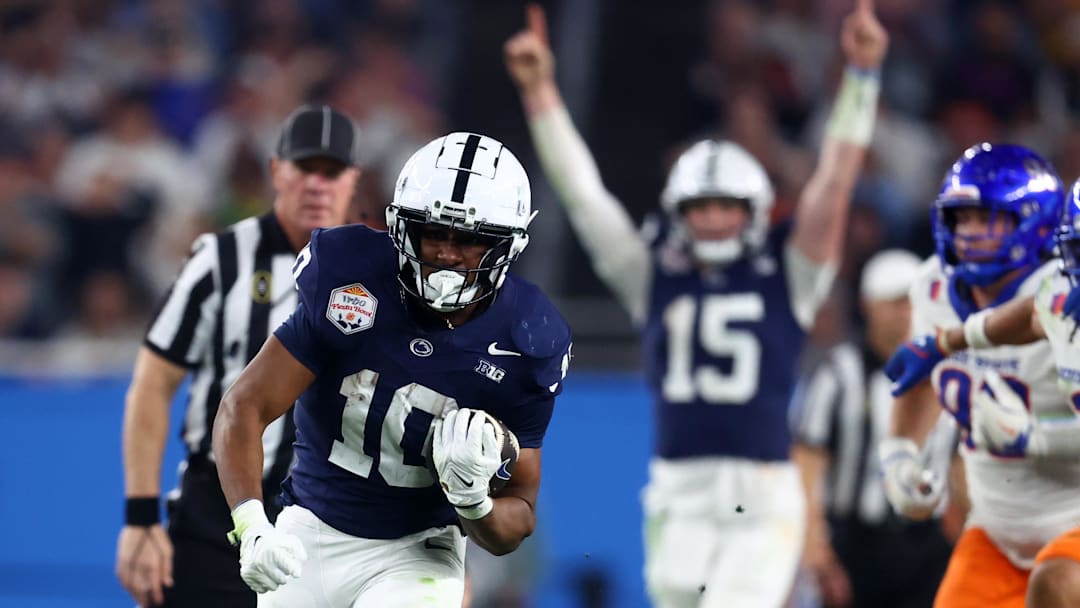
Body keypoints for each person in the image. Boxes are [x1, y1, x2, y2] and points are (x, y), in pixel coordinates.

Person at [505, 1, 887, 605]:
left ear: (754, 212)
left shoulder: (789, 277)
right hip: (676, 488)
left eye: (725, 206)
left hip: (759, 488)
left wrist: (861, 80)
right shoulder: (651, 276)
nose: (712, 220)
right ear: (679, 214)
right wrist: (540, 92)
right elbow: (585, 199)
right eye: (700, 207)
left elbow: (835, 182)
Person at [211, 131, 573, 608]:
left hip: (417, 552)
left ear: (506, 246)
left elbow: (519, 516)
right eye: (433, 232)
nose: (446, 252)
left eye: (468, 239)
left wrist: (475, 504)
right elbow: (245, 406)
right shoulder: (352, 280)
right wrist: (253, 525)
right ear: (403, 227)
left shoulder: (527, 339)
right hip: (310, 531)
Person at [115, 104, 362, 608]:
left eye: (332, 172)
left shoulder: (382, 272)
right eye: (304, 168)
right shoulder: (220, 260)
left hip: (333, 520)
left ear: (352, 180)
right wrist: (140, 520)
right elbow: (152, 383)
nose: (317, 184)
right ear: (276, 172)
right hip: (217, 517)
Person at [879, 143, 1077, 608]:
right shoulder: (934, 287)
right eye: (961, 218)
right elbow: (932, 376)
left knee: (1055, 587)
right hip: (999, 529)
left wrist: (1033, 437)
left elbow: (1039, 311)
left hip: (1073, 522)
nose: (969, 233)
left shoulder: (1062, 292)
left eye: (987, 218)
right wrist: (899, 452)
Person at [791, 249, 956, 608]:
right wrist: (816, 547)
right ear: (869, 306)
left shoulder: (948, 374)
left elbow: (959, 461)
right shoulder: (839, 374)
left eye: (913, 303)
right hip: (856, 544)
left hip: (928, 545)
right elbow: (808, 462)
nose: (907, 314)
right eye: (896, 303)